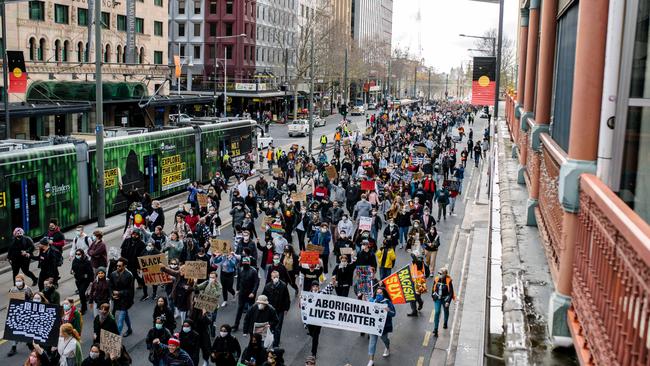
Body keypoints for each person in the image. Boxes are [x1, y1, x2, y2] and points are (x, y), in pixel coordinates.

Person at [367, 287, 396, 366]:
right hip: (373, 326)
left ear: (384, 294)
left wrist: (388, 311)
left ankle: (387, 347)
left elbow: (394, 313)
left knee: (384, 339)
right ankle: (371, 360)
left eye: (380, 293)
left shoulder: (388, 302)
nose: (378, 294)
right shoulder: (372, 300)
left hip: (383, 327)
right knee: (372, 342)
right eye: (377, 293)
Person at [261, 272, 290, 346]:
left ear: (279, 276)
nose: (275, 278)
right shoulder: (268, 286)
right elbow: (263, 296)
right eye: (274, 277)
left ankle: (276, 344)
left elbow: (287, 297)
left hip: (280, 309)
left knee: (278, 327)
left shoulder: (283, 285)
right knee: (270, 326)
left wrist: (286, 308)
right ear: (271, 277)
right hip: (270, 310)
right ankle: (270, 340)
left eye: (276, 277)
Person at [7, 274, 34, 357]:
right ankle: (13, 347)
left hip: (26, 312)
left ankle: (29, 343)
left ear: (23, 281)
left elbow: (32, 299)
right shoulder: (12, 289)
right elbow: (10, 300)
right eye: (16, 281)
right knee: (14, 329)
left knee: (27, 329)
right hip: (16, 313)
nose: (18, 282)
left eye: (19, 280)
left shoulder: (28, 289)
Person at [109, 257, 135, 337]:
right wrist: (112, 295)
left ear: (124, 266)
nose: (118, 267)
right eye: (117, 266)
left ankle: (115, 339)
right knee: (125, 316)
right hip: (116, 300)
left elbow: (130, 291)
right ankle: (130, 329)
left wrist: (119, 293)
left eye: (120, 266)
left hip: (125, 300)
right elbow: (110, 286)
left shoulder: (129, 275)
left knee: (120, 321)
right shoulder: (113, 274)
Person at [232, 256, 259, 332]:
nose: (245, 264)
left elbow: (256, 283)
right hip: (242, 292)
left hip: (250, 293)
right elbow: (239, 280)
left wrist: (253, 292)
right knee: (239, 309)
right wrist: (237, 289)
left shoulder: (253, 271)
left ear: (249, 263)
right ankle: (236, 325)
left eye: (246, 262)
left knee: (250, 310)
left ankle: (249, 326)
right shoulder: (240, 270)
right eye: (244, 262)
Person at [432, 267, 456, 337]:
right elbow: (433, 289)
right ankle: (435, 329)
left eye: (441, 273)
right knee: (437, 312)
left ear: (445, 274)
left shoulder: (449, 281)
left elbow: (451, 293)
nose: (439, 274)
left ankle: (445, 322)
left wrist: (448, 301)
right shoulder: (436, 279)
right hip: (437, 298)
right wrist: (434, 296)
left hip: (445, 299)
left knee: (446, 311)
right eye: (438, 273)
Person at [71, 249, 93, 314]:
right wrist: (72, 271)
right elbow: (72, 268)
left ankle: (83, 308)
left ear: (82, 254)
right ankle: (85, 302)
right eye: (76, 254)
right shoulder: (75, 260)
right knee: (81, 294)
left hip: (85, 280)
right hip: (78, 280)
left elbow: (90, 272)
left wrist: (91, 281)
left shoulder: (86, 262)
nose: (77, 255)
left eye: (79, 254)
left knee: (81, 293)